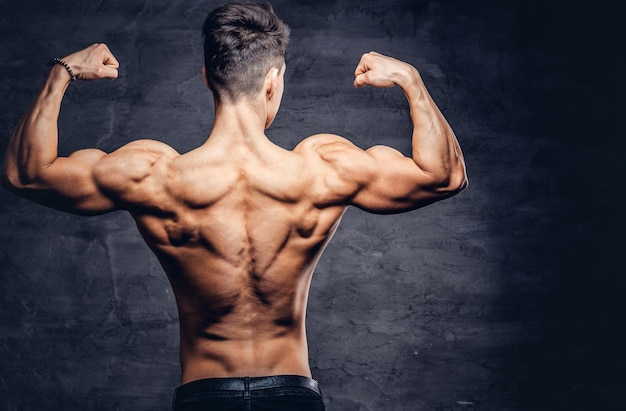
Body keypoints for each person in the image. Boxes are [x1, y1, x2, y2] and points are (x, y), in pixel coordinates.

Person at [2, 1, 467, 410]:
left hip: (204, 394)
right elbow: (445, 175)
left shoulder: (152, 174)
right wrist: (411, 80)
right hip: (291, 395)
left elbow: (26, 173)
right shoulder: (324, 168)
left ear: (206, 77)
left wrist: (61, 73)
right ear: (273, 81)